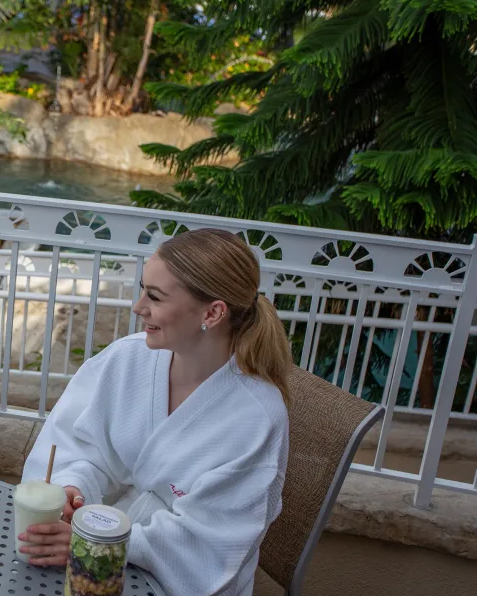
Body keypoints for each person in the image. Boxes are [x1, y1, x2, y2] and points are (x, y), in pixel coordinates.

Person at [20, 228, 291, 596]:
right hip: (90, 554)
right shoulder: (126, 359)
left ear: (212, 312)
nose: (138, 306)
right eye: (143, 288)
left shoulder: (255, 417)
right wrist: (74, 487)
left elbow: (207, 545)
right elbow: (87, 449)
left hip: (178, 580)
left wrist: (100, 544)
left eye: (155, 296)